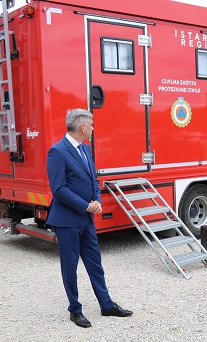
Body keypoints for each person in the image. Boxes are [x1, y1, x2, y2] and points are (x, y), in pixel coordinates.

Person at [46, 108, 133, 328]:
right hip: (67, 221)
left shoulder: (85, 149)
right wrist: (86, 206)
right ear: (82, 127)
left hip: (86, 219)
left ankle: (106, 305)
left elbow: (93, 178)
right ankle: (75, 310)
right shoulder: (57, 151)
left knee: (95, 264)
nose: (94, 129)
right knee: (70, 267)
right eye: (92, 125)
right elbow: (59, 189)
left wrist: (96, 201)